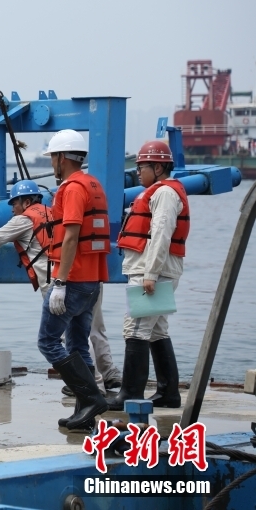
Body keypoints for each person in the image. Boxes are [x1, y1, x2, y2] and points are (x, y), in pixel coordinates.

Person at [0, 182, 122, 394]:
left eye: (15, 203)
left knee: (69, 337)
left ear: (27, 202)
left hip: (59, 282)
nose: (12, 208)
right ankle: (111, 376)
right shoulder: (53, 212)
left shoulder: (23, 220)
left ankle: (93, 385)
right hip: (87, 276)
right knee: (95, 330)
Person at [38, 129, 111, 431]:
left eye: (53, 157)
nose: (51, 163)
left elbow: (70, 237)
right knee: (79, 344)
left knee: (48, 341)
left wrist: (60, 283)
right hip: (93, 281)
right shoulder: (93, 184)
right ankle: (85, 412)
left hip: (74, 280)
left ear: (61, 158)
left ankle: (92, 397)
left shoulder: (71, 189)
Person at [108, 140, 189, 410]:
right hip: (157, 270)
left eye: (142, 167)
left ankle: (130, 394)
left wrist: (151, 274)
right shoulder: (158, 191)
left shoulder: (165, 193)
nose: (138, 172)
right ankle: (168, 393)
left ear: (158, 167)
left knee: (136, 330)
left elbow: (161, 234)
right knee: (156, 330)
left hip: (154, 271)